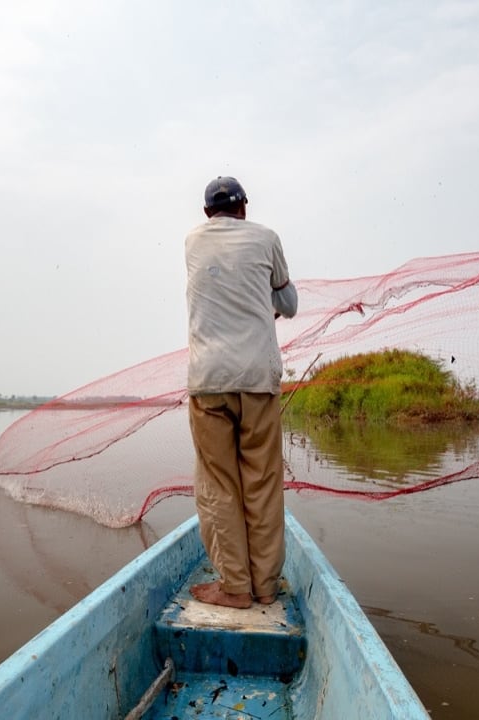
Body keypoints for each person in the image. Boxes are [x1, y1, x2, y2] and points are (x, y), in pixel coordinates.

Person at [184, 176, 298, 609]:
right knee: (263, 483)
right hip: (258, 378)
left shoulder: (192, 241)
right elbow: (288, 305)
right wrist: (269, 298)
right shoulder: (267, 238)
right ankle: (264, 586)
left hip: (209, 380)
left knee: (219, 485)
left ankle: (234, 586)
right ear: (244, 209)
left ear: (207, 214)